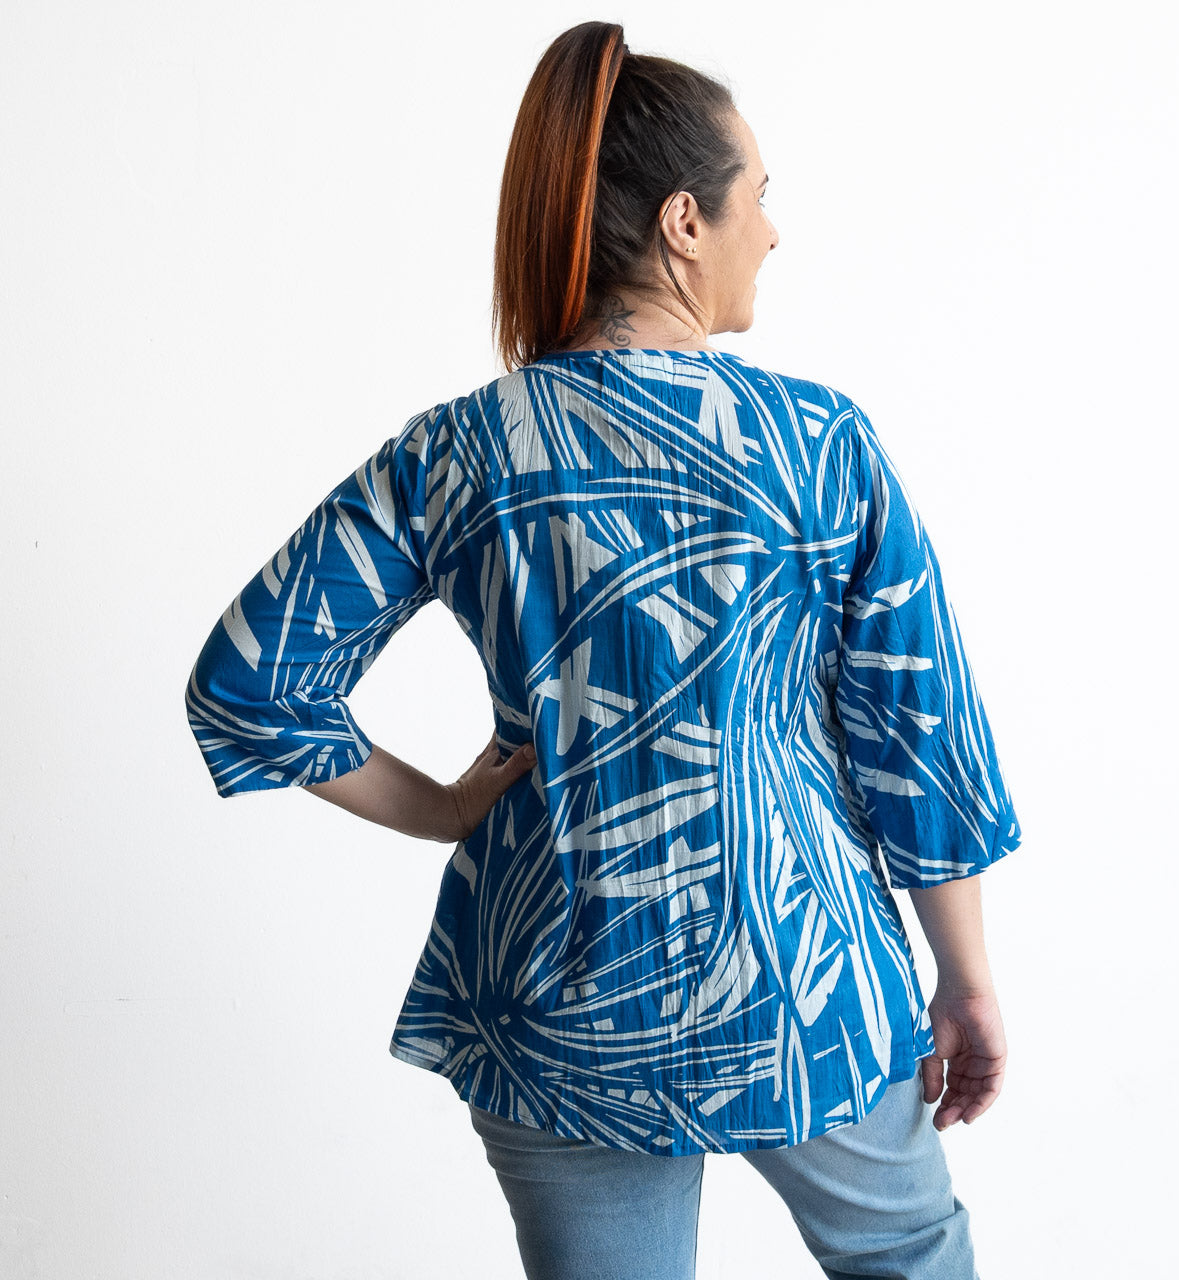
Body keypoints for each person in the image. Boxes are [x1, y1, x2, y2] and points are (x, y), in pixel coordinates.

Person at [185, 19, 1023, 1280]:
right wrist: (962, 977)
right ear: (685, 220)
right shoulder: (816, 445)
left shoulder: (458, 449)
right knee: (906, 1251)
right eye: (760, 197)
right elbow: (917, 732)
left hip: (557, 991)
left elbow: (252, 683)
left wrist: (448, 811)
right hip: (798, 983)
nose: (775, 232)